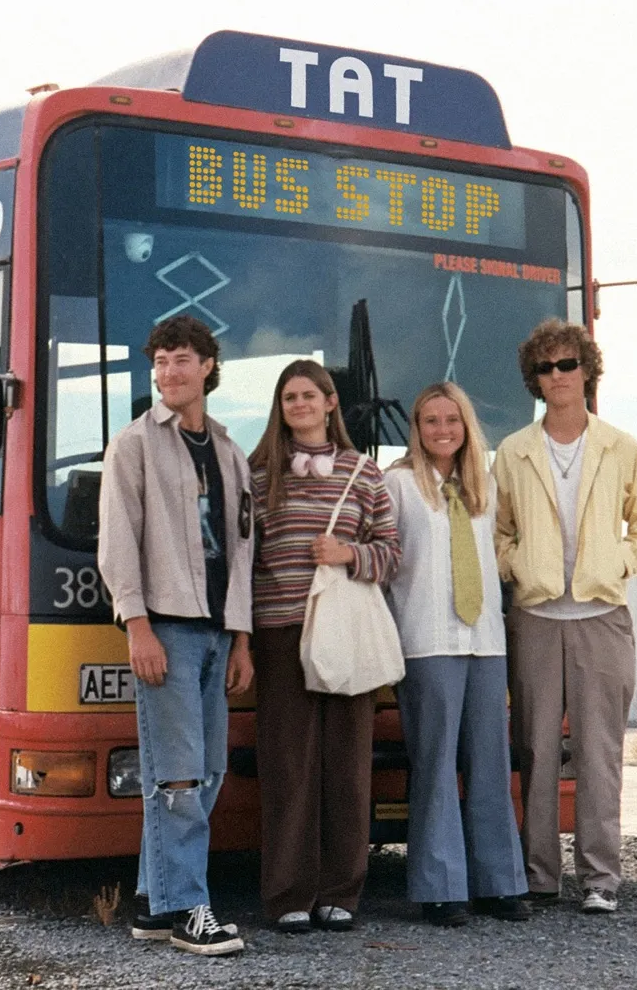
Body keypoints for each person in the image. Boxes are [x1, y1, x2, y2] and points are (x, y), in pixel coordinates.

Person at [493, 319, 637, 915]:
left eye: (568, 365)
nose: (557, 376)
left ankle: (600, 878)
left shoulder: (621, 447)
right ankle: (540, 875)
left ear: (587, 370)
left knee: (600, 751)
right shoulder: (514, 453)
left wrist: (618, 561)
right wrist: (518, 565)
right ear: (534, 380)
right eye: (545, 369)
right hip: (537, 617)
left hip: (602, 617)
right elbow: (495, 532)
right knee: (538, 750)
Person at [98, 316, 254, 956]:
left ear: (208, 367)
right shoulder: (132, 445)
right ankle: (190, 907)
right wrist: (137, 626)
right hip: (164, 628)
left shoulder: (228, 451)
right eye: (160, 361)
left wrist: (241, 639)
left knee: (207, 771)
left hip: (217, 634)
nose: (168, 372)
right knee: (178, 777)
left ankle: (152, 901)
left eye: (181, 359)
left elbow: (242, 550)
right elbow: (116, 545)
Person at [249, 359, 400, 934]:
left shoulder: (364, 473)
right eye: (289, 397)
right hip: (281, 633)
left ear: (332, 402)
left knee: (347, 766)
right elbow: (245, 560)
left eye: (309, 395)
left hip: (346, 633)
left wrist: (349, 555)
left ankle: (341, 891)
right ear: (280, 407)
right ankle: (288, 894)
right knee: (287, 767)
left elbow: (391, 553)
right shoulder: (258, 473)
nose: (300, 405)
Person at [384, 382, 531, 927]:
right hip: (427, 642)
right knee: (436, 765)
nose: (442, 430)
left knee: (491, 763)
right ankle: (441, 887)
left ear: (467, 426)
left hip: (486, 642)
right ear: (416, 429)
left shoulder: (484, 490)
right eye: (430, 421)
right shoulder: (398, 485)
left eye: (452, 420)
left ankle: (500, 883)